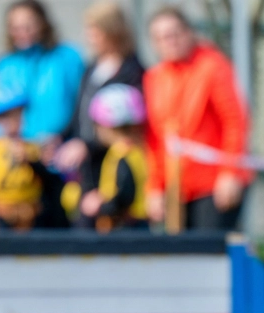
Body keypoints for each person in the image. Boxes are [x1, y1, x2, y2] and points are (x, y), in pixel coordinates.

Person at [143, 6, 252, 231]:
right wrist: (154, 187)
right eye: (162, 37)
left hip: (212, 184)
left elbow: (234, 121)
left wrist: (229, 173)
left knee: (209, 253)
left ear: (188, 33)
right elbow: (155, 137)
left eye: (174, 34)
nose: (170, 42)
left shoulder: (213, 67)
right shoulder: (154, 78)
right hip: (176, 187)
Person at [54, 1, 145, 195]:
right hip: (86, 168)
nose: (89, 37)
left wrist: (87, 145)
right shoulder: (92, 68)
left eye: (94, 31)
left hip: (113, 166)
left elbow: (127, 128)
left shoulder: (133, 72)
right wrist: (59, 138)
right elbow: (80, 113)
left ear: (112, 32)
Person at [0, 0, 84, 150]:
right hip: (22, 151)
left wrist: (74, 139)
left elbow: (83, 103)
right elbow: (1, 115)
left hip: (63, 149)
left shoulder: (68, 58)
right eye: (16, 27)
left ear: (43, 23)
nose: (23, 32)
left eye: (28, 25)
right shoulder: (5, 66)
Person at [0, 86, 66, 231]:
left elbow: (50, 181)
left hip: (32, 213)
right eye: (6, 117)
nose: (13, 121)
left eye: (17, 116)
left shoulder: (33, 147)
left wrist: (30, 161)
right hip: (3, 212)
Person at [77, 85, 148, 233]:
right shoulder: (139, 151)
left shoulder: (122, 155)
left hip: (129, 226)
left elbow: (125, 195)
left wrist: (102, 206)